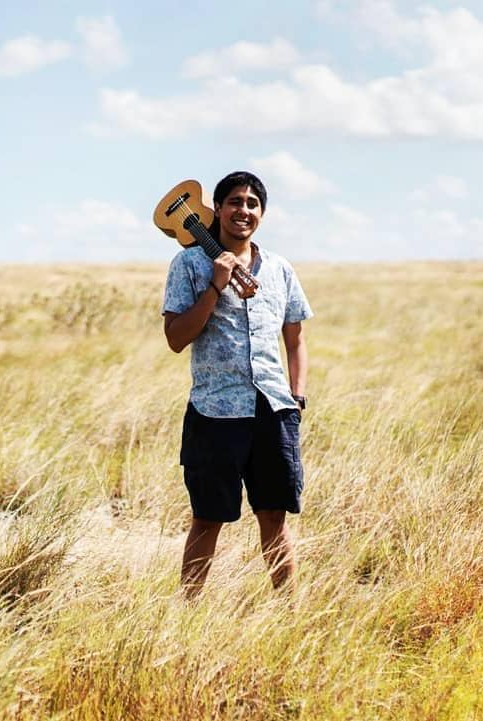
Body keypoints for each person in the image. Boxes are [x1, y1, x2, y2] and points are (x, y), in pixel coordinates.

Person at [162, 171, 313, 598]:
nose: (242, 211)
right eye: (234, 202)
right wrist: (215, 285)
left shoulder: (281, 269)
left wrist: (296, 397)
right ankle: (187, 615)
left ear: (261, 213)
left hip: (273, 410)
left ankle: (289, 615)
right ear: (217, 209)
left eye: (251, 203)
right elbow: (176, 338)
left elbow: (295, 338)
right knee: (207, 517)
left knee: (274, 517)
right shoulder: (190, 264)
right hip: (215, 412)